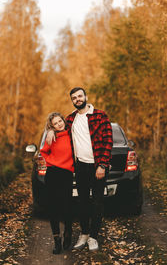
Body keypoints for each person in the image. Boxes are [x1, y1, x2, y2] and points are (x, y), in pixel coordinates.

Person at [46, 87, 113, 251]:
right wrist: (48, 131)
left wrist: (102, 165)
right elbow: (58, 126)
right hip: (81, 167)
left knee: (97, 202)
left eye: (80, 96)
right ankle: (84, 233)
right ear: (72, 101)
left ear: (86, 97)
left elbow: (108, 142)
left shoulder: (100, 115)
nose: (77, 99)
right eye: (74, 98)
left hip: (98, 166)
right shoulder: (70, 119)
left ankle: (93, 237)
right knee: (83, 202)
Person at [40, 112, 74, 254]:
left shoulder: (71, 135)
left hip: (66, 174)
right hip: (53, 174)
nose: (59, 124)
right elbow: (43, 152)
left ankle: (68, 231)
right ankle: (57, 240)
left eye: (60, 121)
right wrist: (51, 162)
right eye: (55, 123)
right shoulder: (51, 137)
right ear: (52, 126)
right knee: (53, 208)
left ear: (63, 121)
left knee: (67, 206)